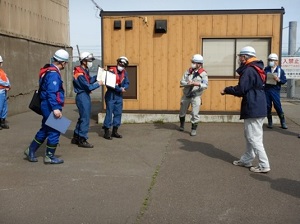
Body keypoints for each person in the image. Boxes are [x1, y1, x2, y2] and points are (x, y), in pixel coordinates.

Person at [220, 46, 270, 173]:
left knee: (254, 137)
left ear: (245, 57)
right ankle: (246, 159)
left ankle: (264, 164)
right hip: (259, 104)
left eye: (240, 56)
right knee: (250, 135)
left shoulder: (249, 70)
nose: (239, 58)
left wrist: (227, 90)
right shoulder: (258, 68)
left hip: (253, 105)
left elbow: (241, 89)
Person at [24, 49, 69, 164]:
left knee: (45, 129)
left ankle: (31, 150)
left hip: (46, 104)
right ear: (62, 62)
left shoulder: (48, 70)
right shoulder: (54, 74)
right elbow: (51, 92)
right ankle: (50, 156)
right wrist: (55, 108)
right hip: (50, 105)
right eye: (66, 63)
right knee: (55, 130)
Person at [71, 52, 102, 148]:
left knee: (82, 118)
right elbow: (88, 87)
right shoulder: (80, 73)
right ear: (83, 61)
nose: (90, 62)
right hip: (82, 96)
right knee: (85, 118)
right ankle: (82, 139)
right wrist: (99, 84)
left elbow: (89, 80)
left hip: (84, 96)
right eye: (89, 60)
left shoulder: (84, 70)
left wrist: (99, 75)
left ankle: (76, 136)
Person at [179, 54, 208, 136]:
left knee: (195, 114)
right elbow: (182, 81)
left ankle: (193, 129)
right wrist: (188, 83)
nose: (192, 63)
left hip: (196, 96)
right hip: (186, 95)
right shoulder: (188, 71)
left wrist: (197, 84)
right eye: (192, 62)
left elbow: (205, 85)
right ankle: (182, 125)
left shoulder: (203, 74)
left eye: (194, 62)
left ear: (199, 64)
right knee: (182, 111)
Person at [102, 56, 130, 140]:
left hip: (119, 95)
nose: (121, 65)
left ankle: (115, 131)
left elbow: (127, 82)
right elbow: (109, 84)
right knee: (109, 113)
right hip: (111, 94)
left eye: (123, 65)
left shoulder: (124, 72)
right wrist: (119, 89)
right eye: (120, 63)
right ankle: (106, 131)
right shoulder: (111, 71)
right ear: (117, 63)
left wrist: (124, 87)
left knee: (118, 113)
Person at [264, 53, 288, 129]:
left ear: (276, 61)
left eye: (272, 60)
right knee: (267, 106)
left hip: (275, 90)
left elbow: (284, 81)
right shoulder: (266, 69)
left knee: (277, 106)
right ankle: (270, 122)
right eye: (270, 60)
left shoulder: (280, 70)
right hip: (267, 90)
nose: (271, 61)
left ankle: (282, 121)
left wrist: (278, 80)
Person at [0, 55, 11, 130]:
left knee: (4, 107)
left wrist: (8, 84)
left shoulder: (2, 71)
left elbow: (6, 78)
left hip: (4, 91)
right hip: (0, 92)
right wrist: (7, 84)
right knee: (0, 107)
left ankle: (2, 121)